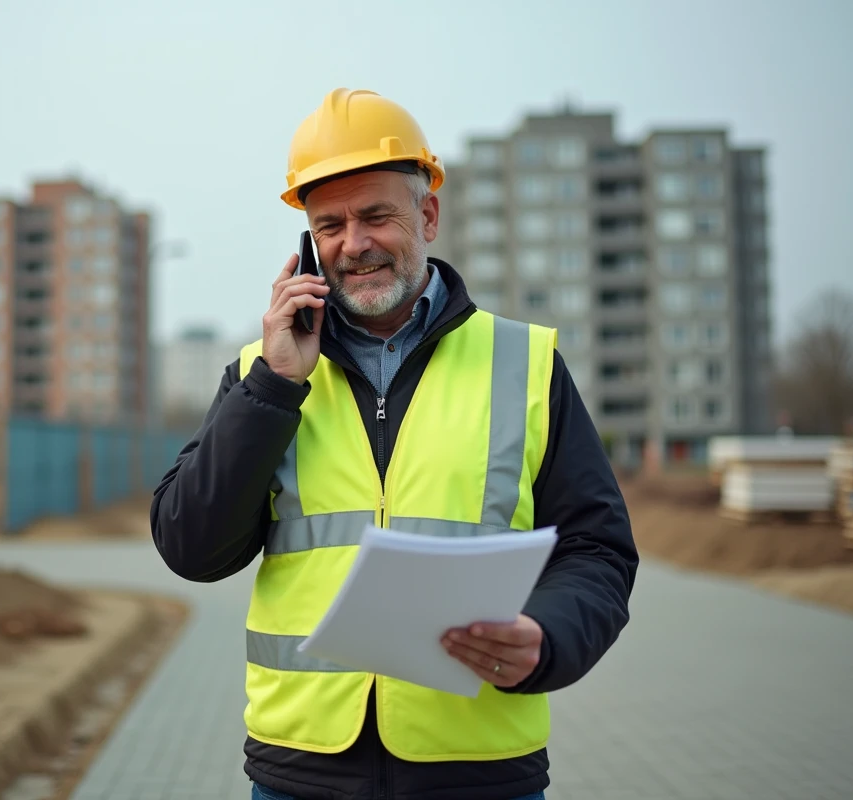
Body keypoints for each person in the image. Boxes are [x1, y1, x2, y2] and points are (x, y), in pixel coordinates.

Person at [151, 88, 639, 800]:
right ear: (307, 245)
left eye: (376, 215)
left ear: (428, 214)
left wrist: (550, 636)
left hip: (480, 773)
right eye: (330, 225)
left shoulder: (523, 362)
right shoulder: (263, 375)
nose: (354, 244)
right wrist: (275, 388)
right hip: (302, 776)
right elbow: (190, 548)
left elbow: (598, 548)